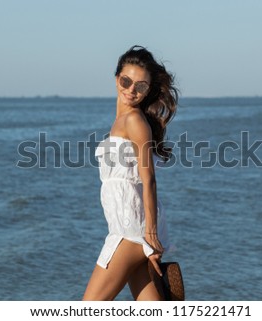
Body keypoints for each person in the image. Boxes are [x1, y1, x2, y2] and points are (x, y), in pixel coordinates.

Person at [83, 45, 179, 301]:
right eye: (126, 81)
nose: (131, 90)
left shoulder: (135, 121)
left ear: (148, 90)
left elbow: (149, 180)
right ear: (116, 79)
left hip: (132, 231)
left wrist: (150, 234)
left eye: (141, 86)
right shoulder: (121, 120)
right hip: (127, 229)